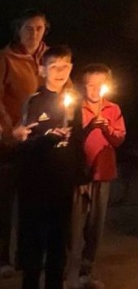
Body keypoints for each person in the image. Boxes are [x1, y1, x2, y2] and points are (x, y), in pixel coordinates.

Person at [18, 45, 88, 289]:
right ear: (42, 70)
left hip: (63, 182)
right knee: (34, 243)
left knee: (58, 243)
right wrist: (48, 138)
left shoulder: (74, 102)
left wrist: (81, 177)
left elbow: (78, 141)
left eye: (65, 66)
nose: (60, 72)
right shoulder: (34, 102)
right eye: (54, 67)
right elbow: (26, 144)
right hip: (37, 183)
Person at [67, 64, 127, 289]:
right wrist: (88, 128)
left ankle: (86, 271)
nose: (94, 89)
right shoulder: (76, 109)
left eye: (100, 85)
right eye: (90, 85)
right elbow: (70, 140)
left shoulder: (112, 109)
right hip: (80, 175)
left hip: (103, 172)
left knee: (95, 226)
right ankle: (70, 273)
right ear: (83, 86)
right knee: (74, 226)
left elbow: (119, 139)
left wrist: (107, 130)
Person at [0, 9, 50, 278]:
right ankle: (2, 258)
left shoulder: (50, 58)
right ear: (17, 30)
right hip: (10, 143)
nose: (34, 34)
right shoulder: (5, 59)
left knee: (32, 202)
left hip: (39, 143)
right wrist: (9, 131)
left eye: (39, 28)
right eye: (29, 28)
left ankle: (27, 255)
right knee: (4, 202)